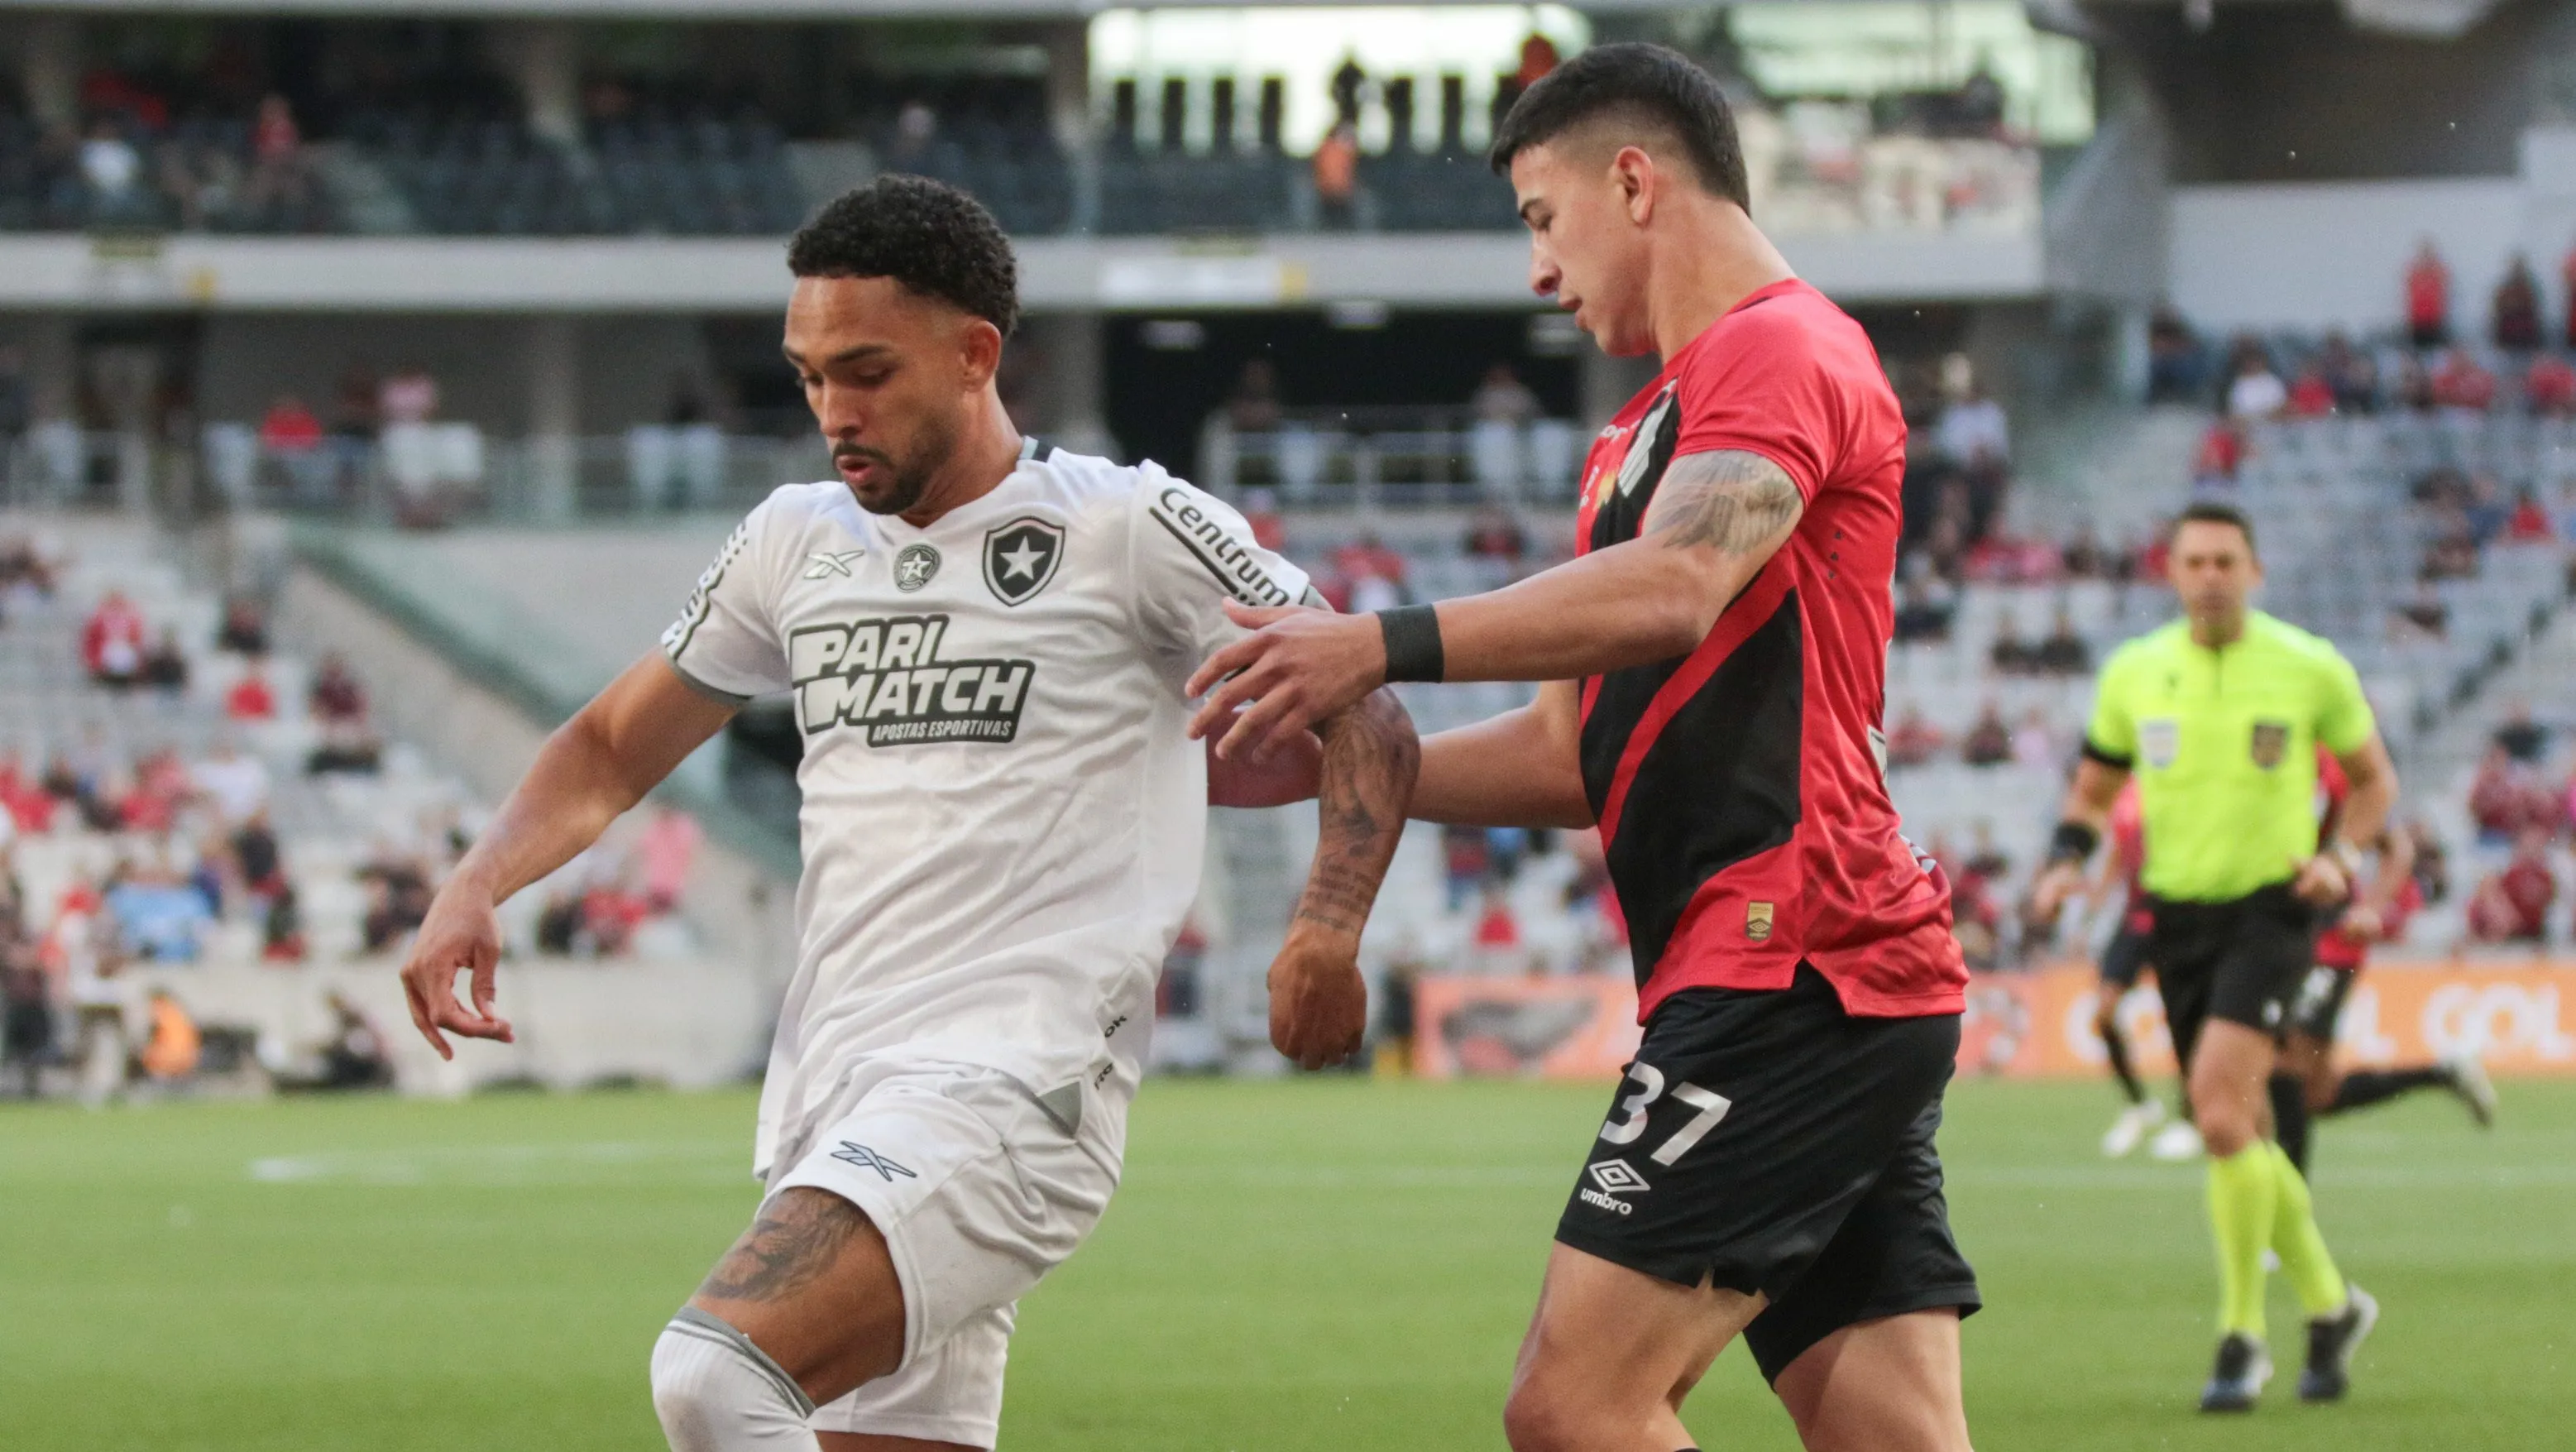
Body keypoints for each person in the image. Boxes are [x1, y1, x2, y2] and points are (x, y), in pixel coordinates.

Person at [395, 175, 1418, 1452]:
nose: (833, 410)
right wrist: (475, 880)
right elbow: (607, 746)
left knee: (713, 1378)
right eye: (810, 373)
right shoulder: (791, 540)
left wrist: (1324, 925)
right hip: (835, 1082)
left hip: (1018, 1077)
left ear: (975, 351)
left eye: (866, 370)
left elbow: (1366, 706)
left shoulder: (1130, 526)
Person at [1190, 46, 1977, 1452]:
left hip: (1790, 950)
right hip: (1817, 965)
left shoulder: (1778, 349)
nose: (1537, 271)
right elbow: (1573, 756)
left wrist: (1376, 643)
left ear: (1631, 181)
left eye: (1537, 220)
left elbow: (1677, 589)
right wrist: (1358, 765)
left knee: (1572, 1405)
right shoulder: (1633, 431)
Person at [2031, 499, 2391, 1411]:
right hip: (2176, 920)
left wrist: (2341, 858)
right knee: (2239, 1129)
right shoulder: (2136, 672)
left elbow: (2377, 782)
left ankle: (2241, 1340)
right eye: (2194, 562)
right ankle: (2332, 1305)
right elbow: (2092, 786)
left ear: (2256, 572)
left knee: (2221, 1114)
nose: (2211, 577)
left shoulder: (2309, 667)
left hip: (2272, 910)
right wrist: (2068, 863)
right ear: (2172, 572)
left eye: (2227, 561)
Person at [2275, 749, 2493, 1176]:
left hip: (2327, 943)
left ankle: (2284, 1223)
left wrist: (2371, 907)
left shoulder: (2329, 771)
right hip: (2272, 940)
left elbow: (2396, 846)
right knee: (2315, 1094)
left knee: (2287, 1070)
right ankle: (2441, 1073)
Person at [2493, 254, 2543, 352]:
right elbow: (2498, 309)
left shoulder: (2530, 288)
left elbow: (2536, 310)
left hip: (2526, 334)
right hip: (2508, 334)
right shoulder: (2505, 289)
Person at [2405, 240, 2449, 350]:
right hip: (2417, 320)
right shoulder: (2414, 273)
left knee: (2435, 351)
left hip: (2435, 320)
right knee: (2418, 350)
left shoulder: (2439, 272)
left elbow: (2442, 292)